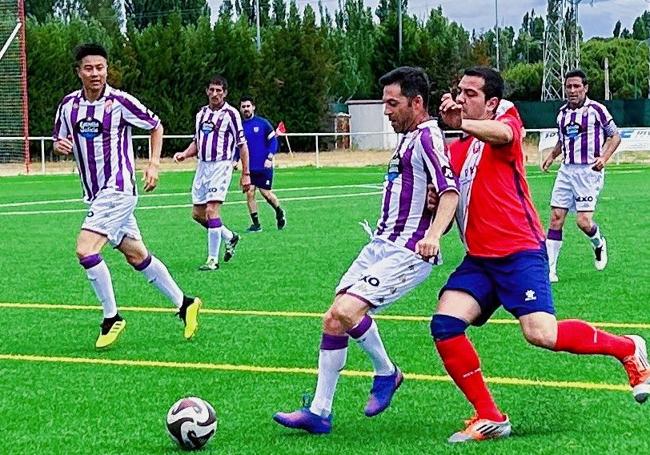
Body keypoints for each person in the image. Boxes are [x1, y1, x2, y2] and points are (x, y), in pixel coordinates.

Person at [430, 66, 648, 444]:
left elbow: (503, 133)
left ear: (492, 102)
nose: (461, 99)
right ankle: (490, 417)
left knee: (541, 335)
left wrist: (463, 121)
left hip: (519, 252)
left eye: (470, 94)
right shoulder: (457, 150)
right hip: (480, 260)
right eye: (459, 92)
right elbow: (449, 208)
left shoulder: (505, 122)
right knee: (445, 325)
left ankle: (628, 348)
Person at [273, 66, 459, 434]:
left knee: (346, 309)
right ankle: (319, 412)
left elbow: (449, 191)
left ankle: (387, 372)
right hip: (380, 244)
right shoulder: (407, 138)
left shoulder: (427, 137)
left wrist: (435, 235)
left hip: (409, 249)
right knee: (333, 319)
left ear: (417, 103)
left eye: (393, 103)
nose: (387, 111)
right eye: (384, 103)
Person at [52, 43, 201, 349]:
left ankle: (111, 317)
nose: (95, 73)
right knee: (136, 255)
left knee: (85, 250)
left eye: (100, 68)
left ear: (107, 70)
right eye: (89, 68)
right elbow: (59, 138)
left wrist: (154, 164)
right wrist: (59, 145)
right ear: (79, 71)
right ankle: (185, 303)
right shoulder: (68, 106)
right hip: (95, 194)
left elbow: (155, 125)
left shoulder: (119, 101)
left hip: (118, 189)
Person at [541, 70, 621, 283]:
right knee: (556, 217)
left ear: (585, 88)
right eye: (569, 86)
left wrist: (604, 158)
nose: (572, 90)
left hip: (589, 171)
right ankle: (550, 270)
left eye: (577, 86)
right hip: (566, 170)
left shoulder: (597, 110)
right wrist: (551, 156)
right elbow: (562, 139)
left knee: (583, 222)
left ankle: (598, 243)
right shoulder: (562, 113)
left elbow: (615, 136)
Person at [173, 75, 251, 271]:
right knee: (198, 214)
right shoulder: (201, 114)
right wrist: (185, 154)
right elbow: (197, 142)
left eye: (219, 90)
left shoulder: (231, 114)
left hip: (221, 165)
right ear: (207, 91)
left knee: (211, 211)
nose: (215, 94)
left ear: (225, 93)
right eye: (212, 90)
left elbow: (242, 145)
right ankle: (229, 237)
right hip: (203, 167)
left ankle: (212, 260)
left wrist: (245, 173)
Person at [235, 95, 286, 232]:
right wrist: (235, 161)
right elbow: (238, 147)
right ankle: (256, 224)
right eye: (243, 106)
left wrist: (269, 157)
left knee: (266, 194)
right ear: (240, 109)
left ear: (253, 107)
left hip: (264, 166)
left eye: (248, 106)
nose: (246, 109)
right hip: (249, 168)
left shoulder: (263, 124)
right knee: (250, 192)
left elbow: (273, 141)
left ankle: (279, 211)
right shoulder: (239, 127)